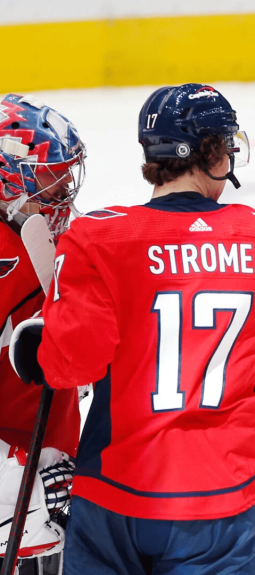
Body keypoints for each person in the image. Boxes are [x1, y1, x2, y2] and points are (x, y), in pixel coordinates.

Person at [10, 84, 255, 574]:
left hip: (115, 489)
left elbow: (73, 365)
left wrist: (40, 344)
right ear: (210, 155)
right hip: (220, 495)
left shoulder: (97, 237)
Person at [0, 94, 84, 574]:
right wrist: (22, 475)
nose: (66, 186)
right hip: (18, 492)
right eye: (52, 176)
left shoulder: (45, 235)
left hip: (47, 483)